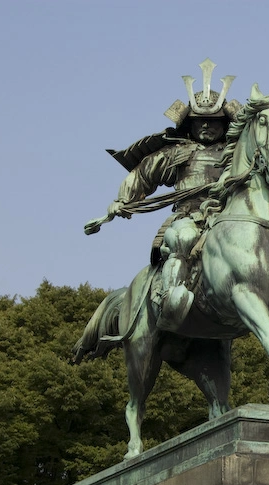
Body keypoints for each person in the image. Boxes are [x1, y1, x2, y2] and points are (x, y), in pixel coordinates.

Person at [105, 60, 241, 331]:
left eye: (213, 121)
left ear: (224, 124)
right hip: (189, 217)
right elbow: (143, 174)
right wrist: (123, 200)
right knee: (182, 237)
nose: (206, 126)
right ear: (188, 124)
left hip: (228, 218)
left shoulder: (236, 154)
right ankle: (170, 299)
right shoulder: (177, 152)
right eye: (199, 121)